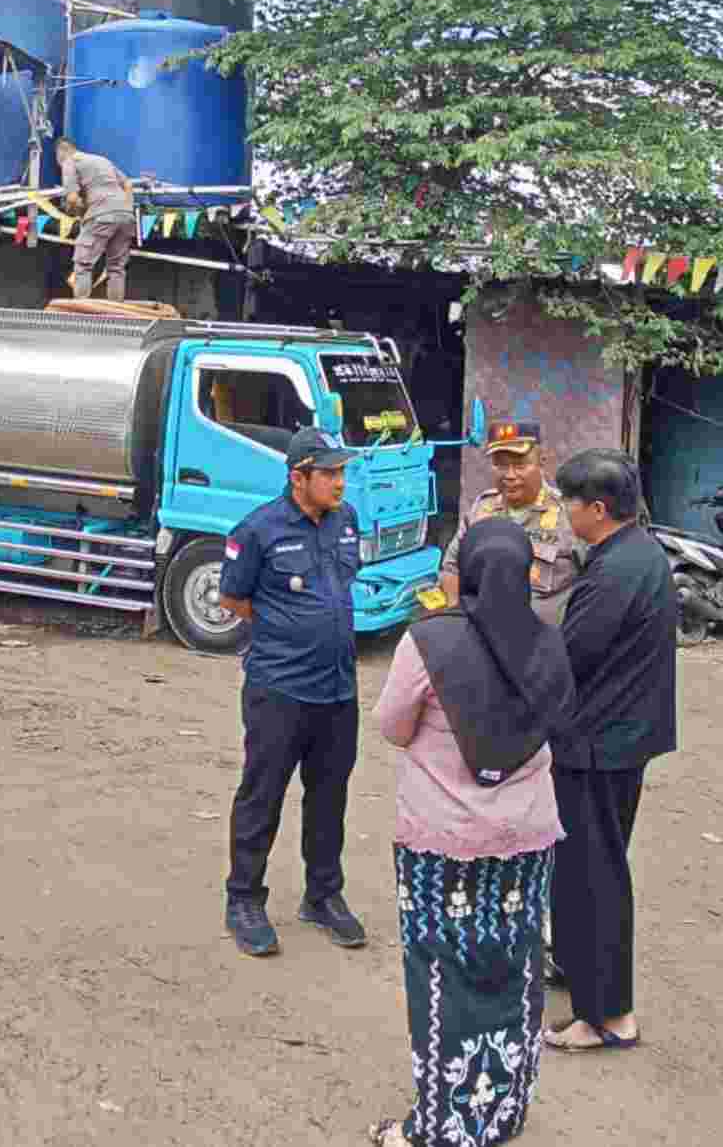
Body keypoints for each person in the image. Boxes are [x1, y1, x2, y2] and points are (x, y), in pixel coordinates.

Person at [372, 518, 575, 1147]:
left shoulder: (428, 641)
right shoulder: (548, 642)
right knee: (513, 968)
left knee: (441, 976)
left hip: (442, 844)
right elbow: (562, 718)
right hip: (527, 842)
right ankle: (503, 1112)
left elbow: (392, 725)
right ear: (525, 574)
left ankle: (441, 1127)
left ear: (469, 575)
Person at [543, 450, 677, 1052]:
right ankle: (583, 976)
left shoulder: (615, 572)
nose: (564, 512)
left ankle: (607, 1016)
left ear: (597, 509)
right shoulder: (640, 552)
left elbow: (571, 657)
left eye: (569, 502)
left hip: (597, 745)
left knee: (592, 878)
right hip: (623, 737)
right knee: (593, 870)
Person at [218, 427, 367, 957]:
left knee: (329, 797)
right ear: (297, 477)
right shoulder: (258, 530)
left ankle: (323, 896)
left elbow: (343, 585)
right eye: (329, 473)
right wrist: (286, 630)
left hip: (337, 689)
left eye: (342, 472)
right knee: (262, 795)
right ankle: (244, 899)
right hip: (279, 689)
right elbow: (233, 599)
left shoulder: (346, 520)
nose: (339, 482)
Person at [441, 420, 577, 625]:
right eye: (500, 465)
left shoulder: (569, 514)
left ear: (542, 462)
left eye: (520, 465)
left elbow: (595, 582)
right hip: (481, 634)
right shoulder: (481, 508)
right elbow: (451, 569)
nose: (509, 475)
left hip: (542, 638)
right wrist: (458, 618)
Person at [55, 137, 135, 302]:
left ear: (61, 152)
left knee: (83, 264)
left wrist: (78, 212)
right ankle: (116, 311)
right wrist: (127, 207)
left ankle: (81, 309)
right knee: (116, 268)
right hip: (126, 215)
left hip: (101, 214)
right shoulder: (102, 159)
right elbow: (128, 184)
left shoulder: (69, 161)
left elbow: (72, 199)